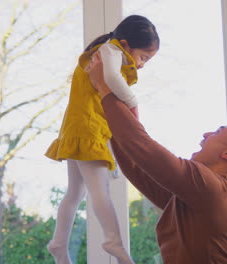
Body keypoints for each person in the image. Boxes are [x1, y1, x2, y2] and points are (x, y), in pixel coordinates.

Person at [85, 51, 227, 264]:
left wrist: (105, 89)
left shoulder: (210, 187)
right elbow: (137, 165)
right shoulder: (192, 195)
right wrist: (118, 105)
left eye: (217, 133)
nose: (205, 135)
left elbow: (142, 147)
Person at [45, 15, 159, 264]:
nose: (141, 65)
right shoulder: (110, 50)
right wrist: (133, 102)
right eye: (143, 58)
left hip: (78, 127)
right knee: (100, 190)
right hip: (85, 128)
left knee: (75, 192)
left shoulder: (108, 53)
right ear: (126, 44)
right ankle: (113, 240)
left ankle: (58, 244)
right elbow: (112, 78)